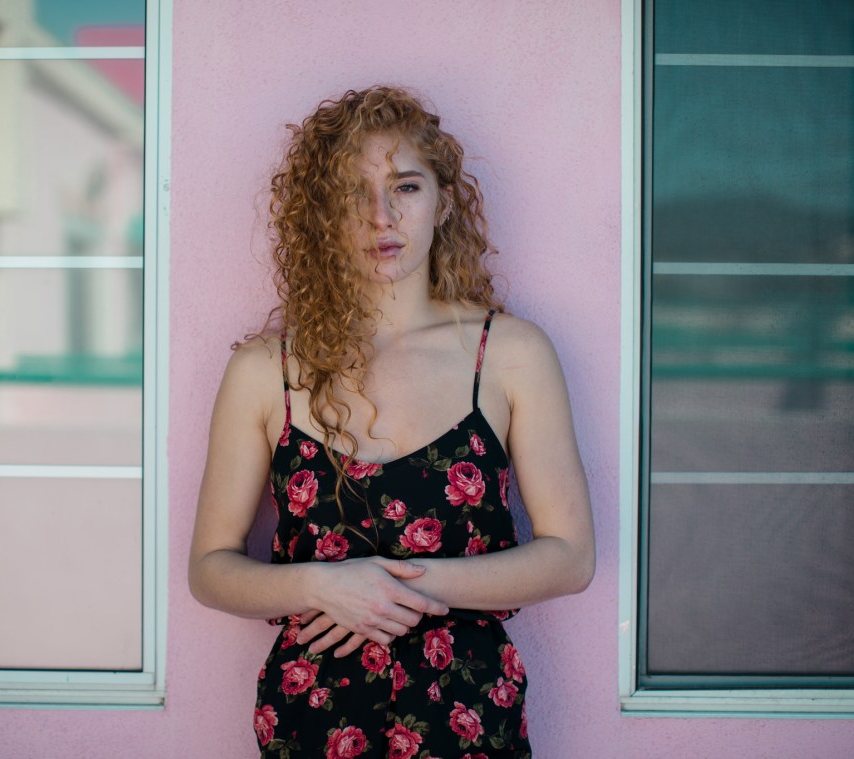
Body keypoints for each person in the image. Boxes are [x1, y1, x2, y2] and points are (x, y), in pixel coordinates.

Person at [189, 85, 594, 758]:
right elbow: (210, 567)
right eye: (354, 193)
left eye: (405, 187)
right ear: (323, 214)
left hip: (468, 719)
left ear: (442, 201)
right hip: (311, 721)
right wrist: (319, 583)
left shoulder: (511, 355)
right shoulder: (265, 370)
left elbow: (570, 556)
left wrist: (394, 586)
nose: (382, 215)